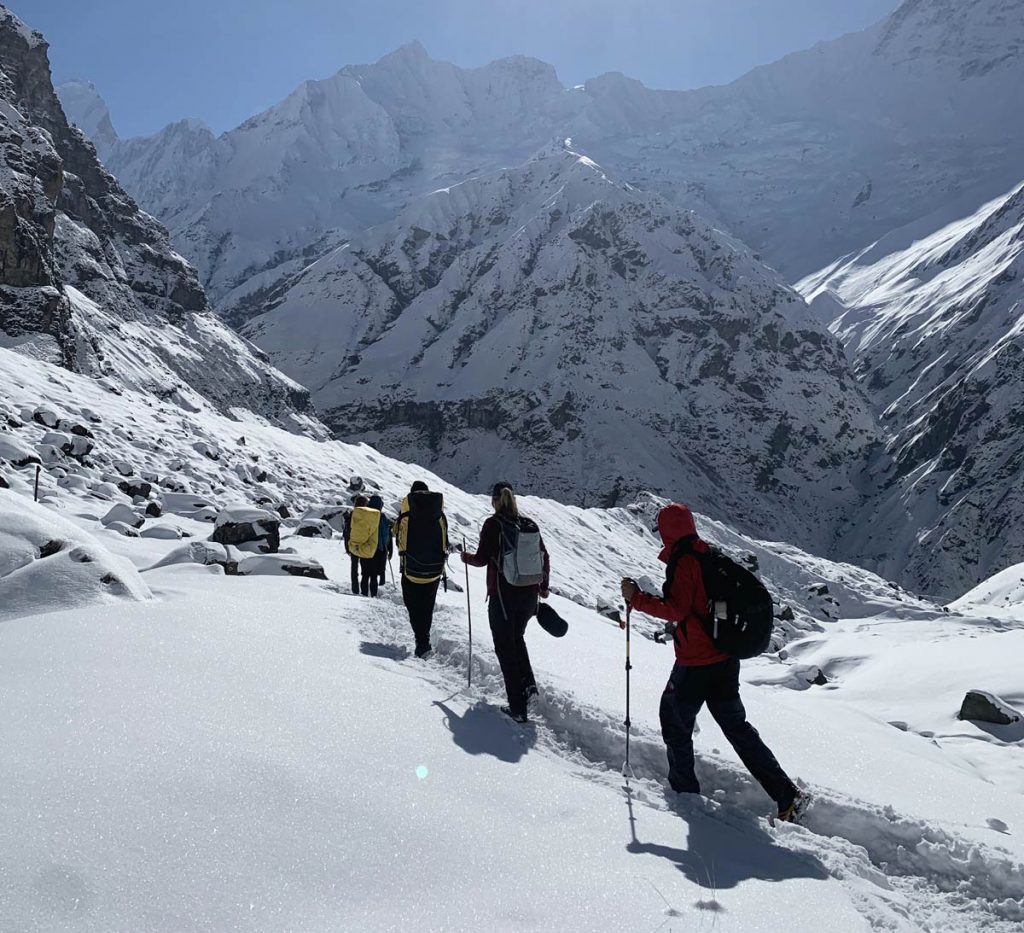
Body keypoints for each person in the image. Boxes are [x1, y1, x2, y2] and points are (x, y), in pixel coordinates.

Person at [621, 502, 804, 822]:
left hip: (695, 664)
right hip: (724, 659)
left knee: (674, 721)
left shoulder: (685, 563)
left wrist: (636, 599)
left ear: (667, 532)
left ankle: (684, 794)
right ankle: (787, 795)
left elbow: (676, 610)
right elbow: (708, 606)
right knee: (737, 728)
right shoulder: (706, 553)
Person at [462, 482, 550, 723]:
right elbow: (545, 556)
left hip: (503, 596)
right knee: (517, 639)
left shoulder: (493, 525)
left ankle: (518, 708)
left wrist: (464, 557)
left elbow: (481, 559)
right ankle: (529, 687)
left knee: (505, 647)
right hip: (529, 596)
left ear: (494, 500)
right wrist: (543, 587)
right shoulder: (529, 524)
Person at [394, 481, 449, 658]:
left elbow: (398, 537)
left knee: (413, 606)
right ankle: (423, 641)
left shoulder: (407, 513)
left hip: (411, 568)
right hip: (434, 570)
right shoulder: (437, 513)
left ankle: (421, 642)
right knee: (427, 606)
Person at [343, 495, 380, 596]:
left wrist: (347, 546)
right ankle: (365, 591)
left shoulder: (352, 514)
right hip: (364, 545)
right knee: (365, 569)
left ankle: (355, 589)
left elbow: (347, 532)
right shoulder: (368, 515)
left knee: (354, 567)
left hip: (353, 544)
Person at [368, 494, 393, 589]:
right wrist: (387, 547)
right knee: (380, 569)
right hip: (379, 547)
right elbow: (385, 533)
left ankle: (366, 589)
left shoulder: (366, 514)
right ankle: (379, 588)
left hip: (367, 546)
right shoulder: (381, 516)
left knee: (369, 570)